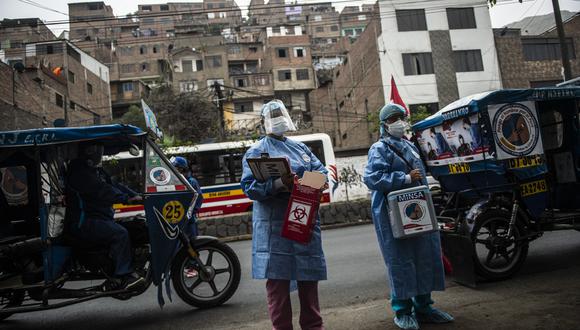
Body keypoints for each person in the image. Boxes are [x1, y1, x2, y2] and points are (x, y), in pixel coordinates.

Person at [363, 103, 453, 330]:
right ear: (384, 124)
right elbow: (372, 178)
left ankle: (424, 307)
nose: (399, 122)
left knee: (425, 256)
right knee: (400, 260)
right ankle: (402, 310)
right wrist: (404, 178)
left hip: (419, 208)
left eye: (401, 117)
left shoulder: (410, 146)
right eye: (393, 118)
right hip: (393, 213)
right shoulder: (379, 148)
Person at [240, 100, 327, 330]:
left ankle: (313, 326)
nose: (277, 117)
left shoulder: (301, 149)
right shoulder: (256, 151)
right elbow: (249, 188)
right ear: (263, 122)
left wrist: (304, 183)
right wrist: (278, 183)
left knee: (309, 283)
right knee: (278, 287)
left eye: (280, 113)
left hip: (302, 221)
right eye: (272, 114)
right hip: (274, 231)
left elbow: (322, 172)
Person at [65, 142, 145, 291]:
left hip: (99, 218)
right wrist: (125, 199)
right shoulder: (79, 171)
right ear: (90, 149)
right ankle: (124, 275)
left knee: (135, 226)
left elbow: (114, 185)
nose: (101, 153)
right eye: (99, 149)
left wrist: (137, 196)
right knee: (120, 234)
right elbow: (101, 190)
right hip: (84, 222)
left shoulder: (95, 170)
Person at [171, 156, 204, 238]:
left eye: (174, 167)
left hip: (189, 222)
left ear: (181, 169)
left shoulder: (191, 182)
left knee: (192, 245)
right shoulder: (173, 182)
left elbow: (198, 199)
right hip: (176, 222)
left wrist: (189, 214)